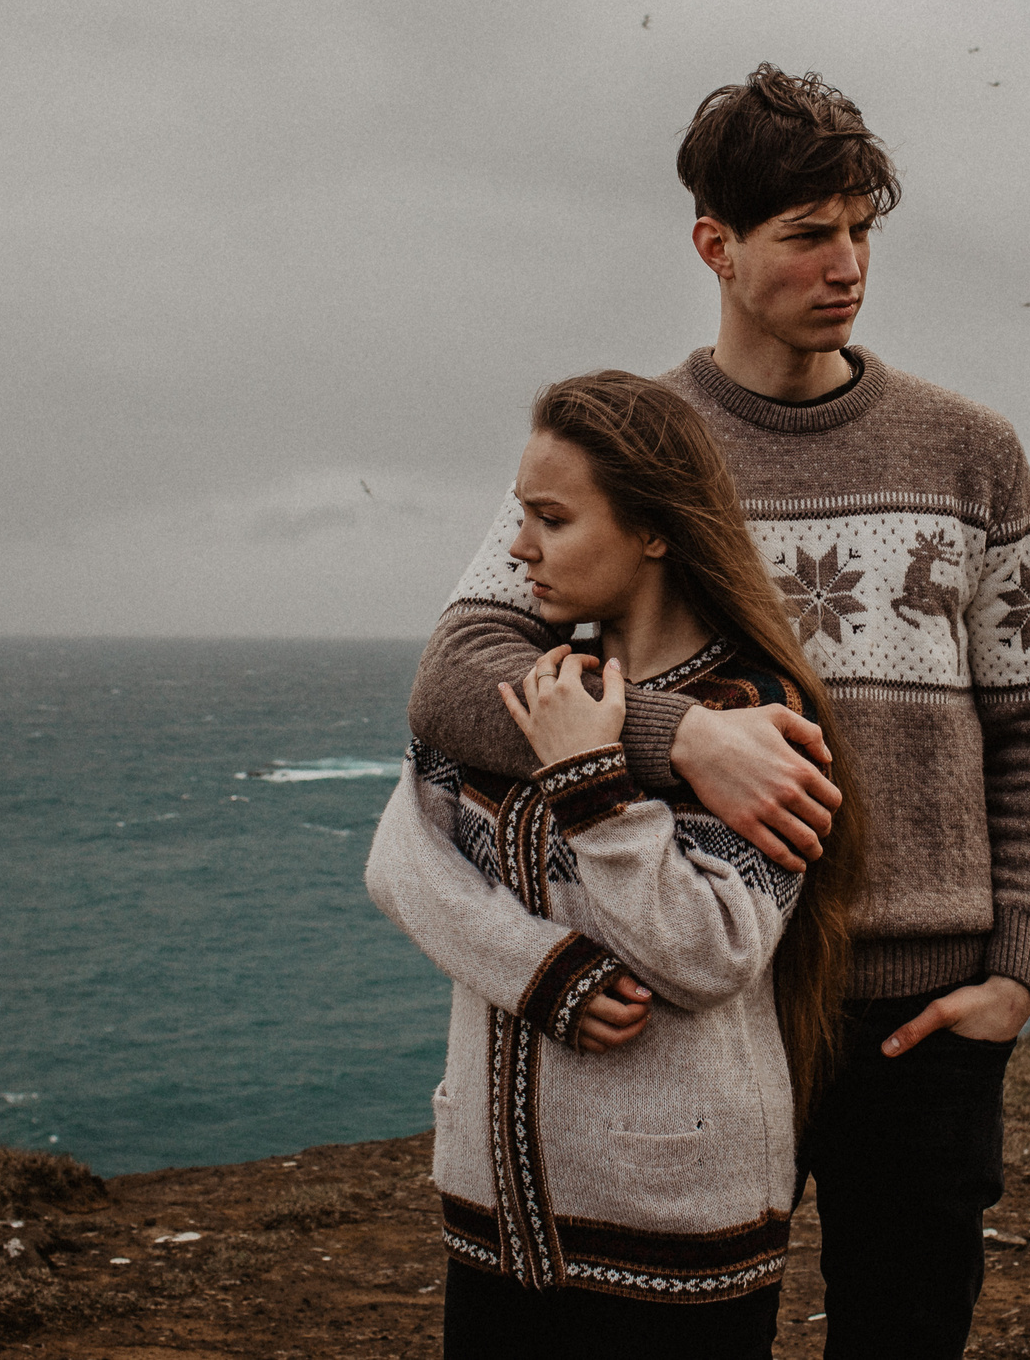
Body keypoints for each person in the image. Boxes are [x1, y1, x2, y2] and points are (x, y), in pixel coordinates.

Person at [407, 64, 1030, 1356]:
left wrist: (1018, 969)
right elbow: (456, 676)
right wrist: (684, 740)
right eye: (809, 233)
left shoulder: (972, 451)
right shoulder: (633, 447)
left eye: (862, 230)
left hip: (922, 1016)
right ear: (714, 245)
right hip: (704, 1004)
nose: (848, 265)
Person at [366, 369, 866, 1359]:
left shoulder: (757, 715)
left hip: (678, 1229)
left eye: (552, 519)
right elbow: (402, 861)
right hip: (490, 1216)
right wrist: (541, 973)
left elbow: (713, 952)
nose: (518, 548)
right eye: (521, 515)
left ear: (654, 529)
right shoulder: (524, 686)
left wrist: (595, 785)